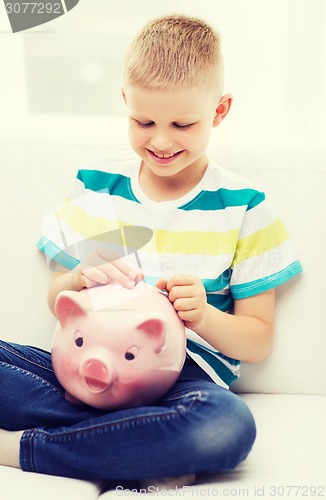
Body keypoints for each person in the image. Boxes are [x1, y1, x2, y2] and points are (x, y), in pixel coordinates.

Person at [0, 14, 302, 488]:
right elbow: (58, 298)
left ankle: (28, 447)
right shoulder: (97, 187)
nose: (160, 141)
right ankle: (138, 448)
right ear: (125, 102)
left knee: (227, 427)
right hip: (81, 371)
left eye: (182, 124)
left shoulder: (245, 207)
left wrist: (203, 316)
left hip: (182, 384)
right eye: (144, 121)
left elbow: (257, 341)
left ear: (220, 111)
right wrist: (76, 278)